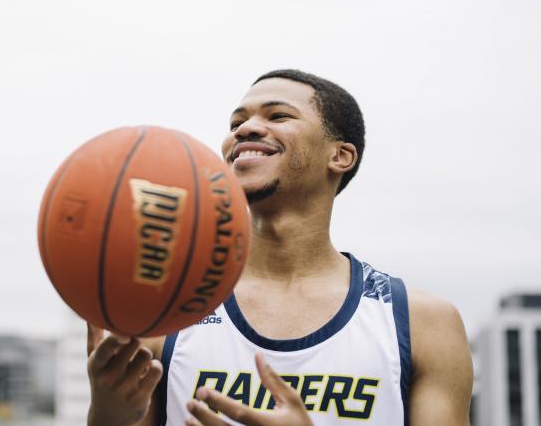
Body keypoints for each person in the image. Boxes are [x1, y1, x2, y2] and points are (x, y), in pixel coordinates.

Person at [86, 69, 474, 426]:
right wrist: (107, 415)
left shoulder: (421, 323)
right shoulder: (167, 314)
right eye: (237, 123)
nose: (245, 129)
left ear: (340, 156)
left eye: (277, 116)